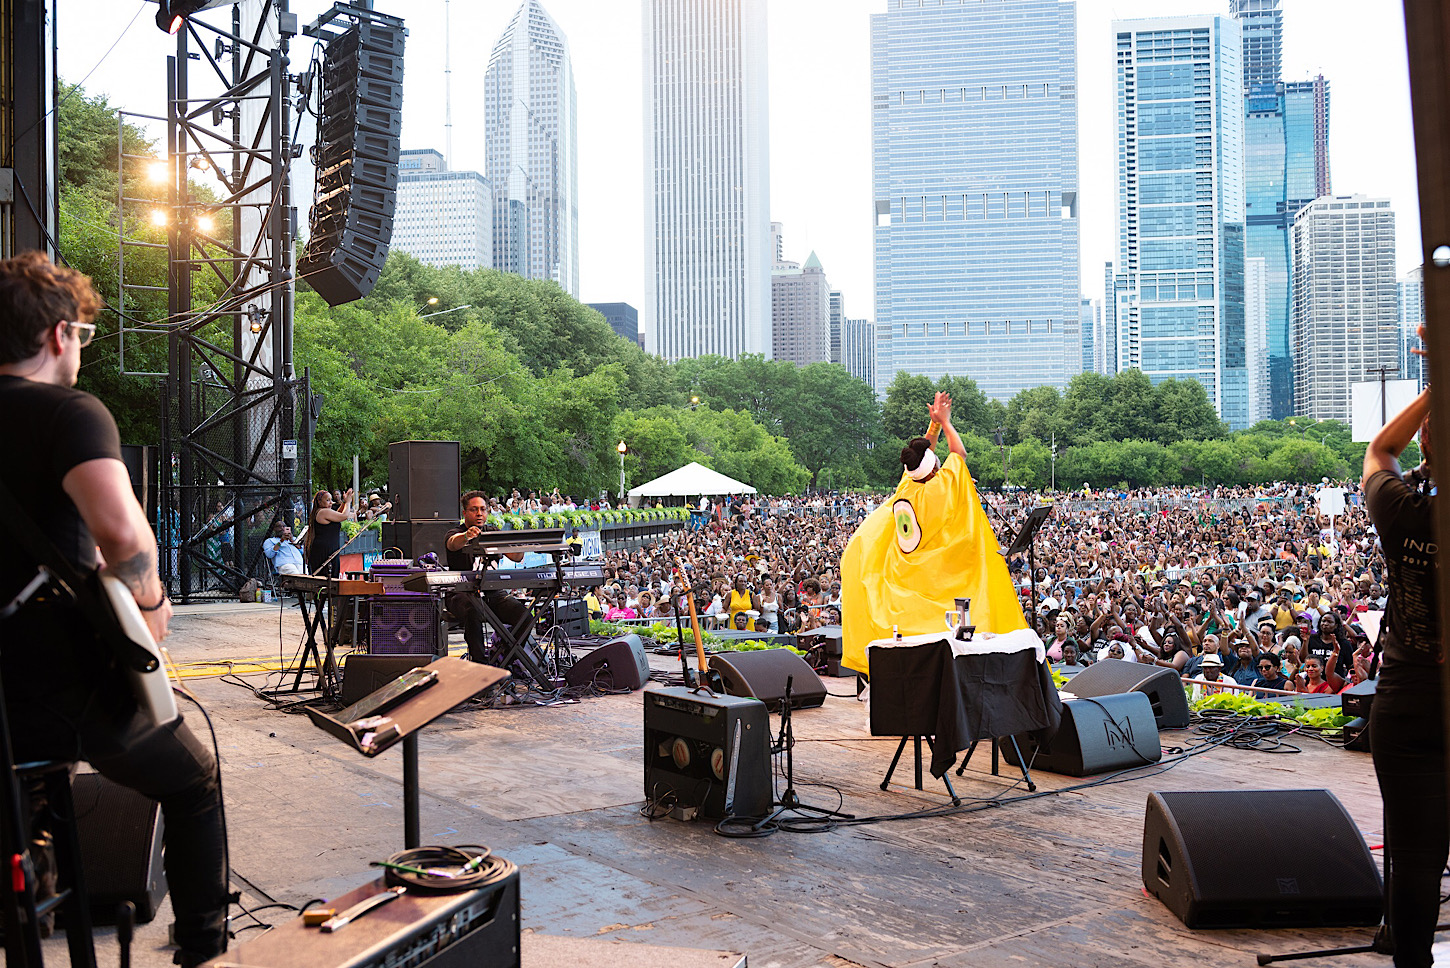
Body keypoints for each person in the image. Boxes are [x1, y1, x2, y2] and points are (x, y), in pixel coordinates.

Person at [0, 252, 227, 966]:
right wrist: (151, 602)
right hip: (54, 689)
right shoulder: (68, 412)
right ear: (60, 334)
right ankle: (203, 946)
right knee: (194, 782)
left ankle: (31, 892)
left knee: (31, 792)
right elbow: (122, 534)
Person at [1363, 374, 1443, 968]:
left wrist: (1438, 385)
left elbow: (1378, 451)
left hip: (1407, 700)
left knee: (1415, 856)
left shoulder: (1399, 509)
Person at [444, 491, 533, 664]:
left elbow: (517, 557)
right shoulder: (455, 532)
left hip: (493, 593)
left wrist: (519, 542)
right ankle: (480, 666)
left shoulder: (493, 532)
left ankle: (503, 659)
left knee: (525, 617)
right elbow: (453, 543)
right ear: (464, 513)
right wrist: (467, 536)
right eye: (474, 509)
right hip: (461, 594)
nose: (479, 513)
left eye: (483, 509)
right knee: (473, 610)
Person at [304, 487, 353, 577]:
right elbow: (344, 516)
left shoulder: (323, 512)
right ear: (319, 502)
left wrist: (344, 502)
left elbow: (337, 515)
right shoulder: (323, 512)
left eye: (331, 500)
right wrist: (349, 502)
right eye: (327, 500)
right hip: (325, 551)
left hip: (328, 549)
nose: (331, 503)